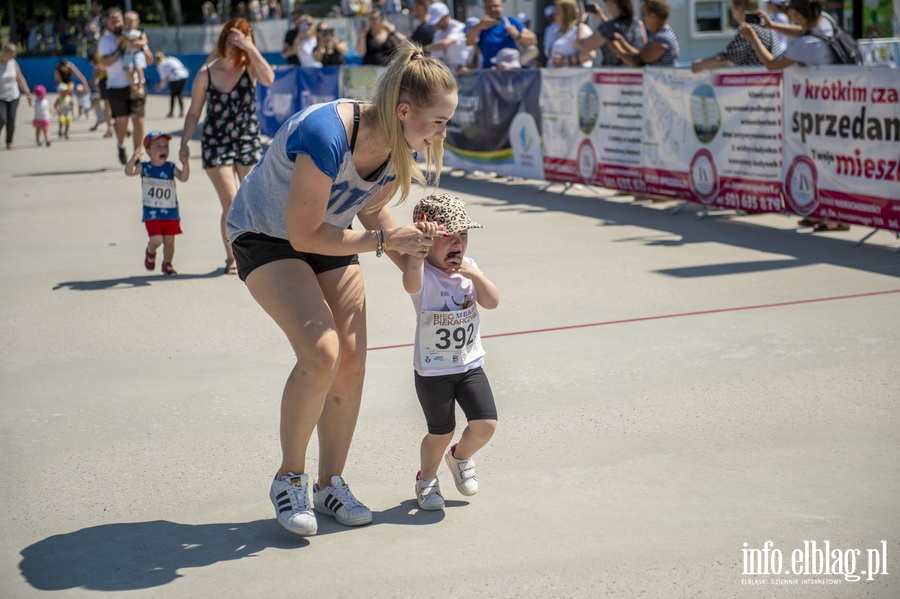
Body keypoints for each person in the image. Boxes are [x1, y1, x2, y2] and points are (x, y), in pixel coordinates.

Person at [224, 42, 458, 536]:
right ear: (403, 110)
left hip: (327, 233)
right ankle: (290, 479)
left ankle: (331, 483)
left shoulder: (399, 145)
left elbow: (371, 209)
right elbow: (305, 232)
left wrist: (418, 256)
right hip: (265, 235)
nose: (443, 133)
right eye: (438, 121)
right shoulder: (326, 131)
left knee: (351, 360)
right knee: (321, 351)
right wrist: (383, 242)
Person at [396, 194, 500, 512]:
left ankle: (460, 457)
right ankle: (426, 479)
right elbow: (409, 280)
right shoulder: (423, 275)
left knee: (486, 425)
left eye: (463, 235)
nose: (458, 242)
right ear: (426, 242)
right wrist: (417, 249)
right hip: (433, 371)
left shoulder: (468, 271)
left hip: (469, 365)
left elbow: (492, 301)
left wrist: (475, 275)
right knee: (441, 432)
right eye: (448, 236)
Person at [739, 0, 848, 232]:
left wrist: (753, 37)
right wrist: (770, 26)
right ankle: (821, 211)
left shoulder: (806, 45)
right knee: (822, 161)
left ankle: (833, 218)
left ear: (796, 12)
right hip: (836, 105)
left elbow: (771, 64)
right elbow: (802, 30)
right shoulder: (826, 21)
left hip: (823, 109)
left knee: (824, 162)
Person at [181, 18, 274, 275]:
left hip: (246, 138)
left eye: (240, 42)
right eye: (230, 41)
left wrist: (250, 47)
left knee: (252, 200)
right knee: (231, 200)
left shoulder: (250, 68)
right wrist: (184, 142)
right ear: (222, 41)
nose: (234, 48)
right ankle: (232, 256)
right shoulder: (206, 72)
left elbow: (268, 79)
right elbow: (193, 112)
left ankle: (257, 252)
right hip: (216, 141)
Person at [125, 131, 190, 276]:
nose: (163, 149)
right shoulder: (145, 167)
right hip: (152, 213)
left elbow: (184, 178)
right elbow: (129, 172)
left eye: (166, 146)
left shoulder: (170, 167)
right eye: (158, 147)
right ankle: (150, 251)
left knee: (169, 241)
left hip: (170, 212)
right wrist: (133, 159)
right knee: (156, 240)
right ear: (148, 150)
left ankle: (167, 264)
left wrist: (185, 164)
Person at [100, 8, 148, 165]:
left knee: (138, 119)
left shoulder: (132, 35)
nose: (116, 23)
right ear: (107, 23)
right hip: (116, 86)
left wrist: (137, 44)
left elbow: (150, 57)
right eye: (112, 21)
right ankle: (121, 145)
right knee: (121, 121)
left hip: (135, 84)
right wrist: (122, 46)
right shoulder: (106, 40)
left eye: (118, 20)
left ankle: (137, 154)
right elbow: (108, 62)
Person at [691, 0, 778, 72]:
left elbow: (726, 59)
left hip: (755, 83)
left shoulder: (747, 29)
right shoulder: (766, 26)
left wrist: (698, 65)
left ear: (739, 9)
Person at [465, 0, 537, 69]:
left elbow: (533, 40)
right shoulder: (480, 26)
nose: (492, 9)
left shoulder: (511, 21)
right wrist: (479, 27)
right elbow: (469, 42)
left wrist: (518, 36)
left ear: (502, 7)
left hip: (512, 70)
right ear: (484, 9)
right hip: (489, 72)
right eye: (489, 7)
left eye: (495, 6)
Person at [574, 0, 646, 67]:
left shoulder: (608, 27)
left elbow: (583, 46)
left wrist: (580, 22)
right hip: (638, 75)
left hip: (612, 76)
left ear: (612, 1)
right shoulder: (638, 24)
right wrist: (602, 18)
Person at [609, 0, 679, 67]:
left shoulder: (662, 38)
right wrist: (623, 43)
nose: (643, 18)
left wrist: (617, 50)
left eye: (645, 14)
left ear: (653, 16)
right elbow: (641, 55)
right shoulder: (665, 34)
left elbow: (639, 62)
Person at [0, 43, 33, 151]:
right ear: (5, 53)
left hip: (14, 95)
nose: (13, 57)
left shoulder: (13, 63)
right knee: (2, 119)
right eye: (12, 54)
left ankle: (9, 141)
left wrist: (27, 93)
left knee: (11, 119)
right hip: (0, 96)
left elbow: (20, 78)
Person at [423, 2, 472, 73]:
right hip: (449, 75)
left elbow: (444, 44)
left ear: (446, 16)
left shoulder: (459, 28)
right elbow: (437, 57)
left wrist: (423, 49)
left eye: (438, 21)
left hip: (465, 74)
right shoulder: (438, 34)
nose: (436, 24)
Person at [547, 0, 595, 68]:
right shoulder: (559, 32)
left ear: (566, 14)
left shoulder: (580, 30)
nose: (554, 16)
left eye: (557, 13)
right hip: (556, 76)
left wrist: (565, 61)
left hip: (575, 77)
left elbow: (589, 55)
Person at [120, 11, 150, 98]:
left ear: (137, 22)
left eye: (132, 22)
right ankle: (133, 88)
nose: (129, 24)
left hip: (137, 53)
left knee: (139, 69)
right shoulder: (124, 33)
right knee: (130, 70)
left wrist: (133, 43)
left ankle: (141, 87)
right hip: (128, 54)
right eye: (128, 22)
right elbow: (123, 44)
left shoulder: (139, 32)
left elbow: (144, 42)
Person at [154, 52, 190, 118]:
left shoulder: (161, 65)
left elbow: (164, 78)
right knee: (179, 94)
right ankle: (182, 112)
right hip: (184, 75)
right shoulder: (171, 58)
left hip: (175, 77)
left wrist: (160, 87)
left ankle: (171, 112)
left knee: (173, 95)